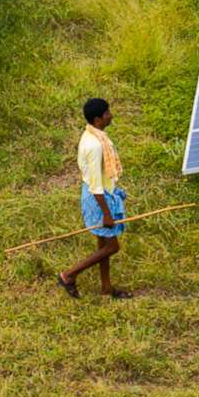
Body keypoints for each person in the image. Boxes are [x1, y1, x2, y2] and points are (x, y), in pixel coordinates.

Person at [60, 96, 130, 300]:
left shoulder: (95, 135)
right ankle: (69, 275)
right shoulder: (94, 145)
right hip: (98, 199)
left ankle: (106, 288)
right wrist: (107, 214)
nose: (111, 115)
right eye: (107, 113)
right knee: (112, 246)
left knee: (103, 246)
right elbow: (96, 186)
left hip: (102, 195)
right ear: (98, 119)